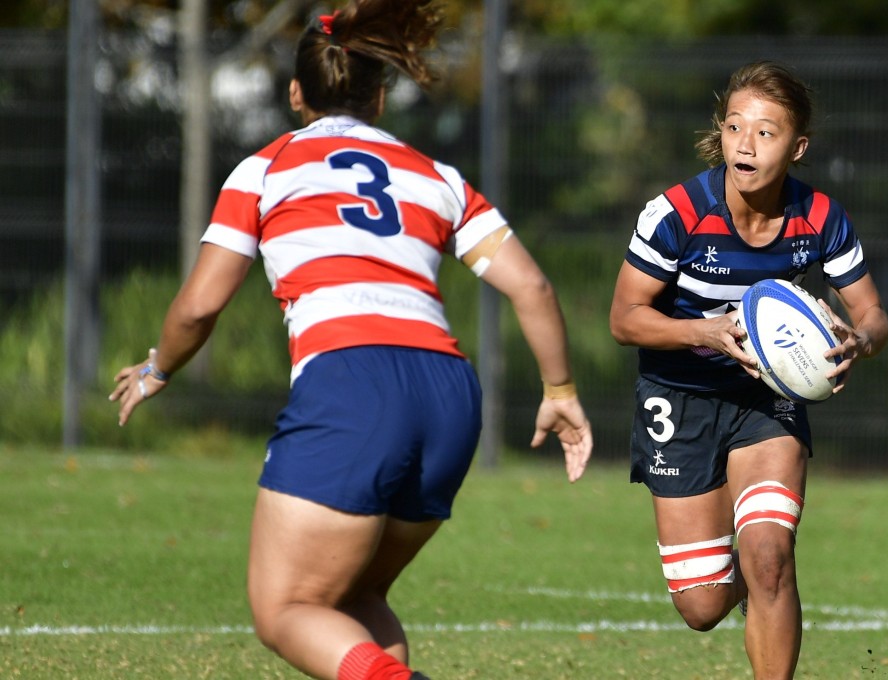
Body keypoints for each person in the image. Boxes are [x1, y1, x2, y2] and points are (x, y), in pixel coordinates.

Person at [109, 2, 593, 679]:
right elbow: (534, 289)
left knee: (285, 608)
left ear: (295, 92)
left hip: (354, 381)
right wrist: (560, 390)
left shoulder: (266, 169)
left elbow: (198, 308)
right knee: (354, 599)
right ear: (382, 95)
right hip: (449, 396)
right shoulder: (437, 176)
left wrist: (159, 367)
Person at [609, 60, 888, 679]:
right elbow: (625, 319)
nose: (747, 142)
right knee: (703, 604)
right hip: (678, 398)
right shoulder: (677, 213)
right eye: (736, 126)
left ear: (798, 147)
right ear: (721, 133)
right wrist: (702, 331)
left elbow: (873, 313)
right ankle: (735, 592)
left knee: (768, 557)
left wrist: (859, 340)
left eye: (766, 132)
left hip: (766, 403)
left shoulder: (820, 217)